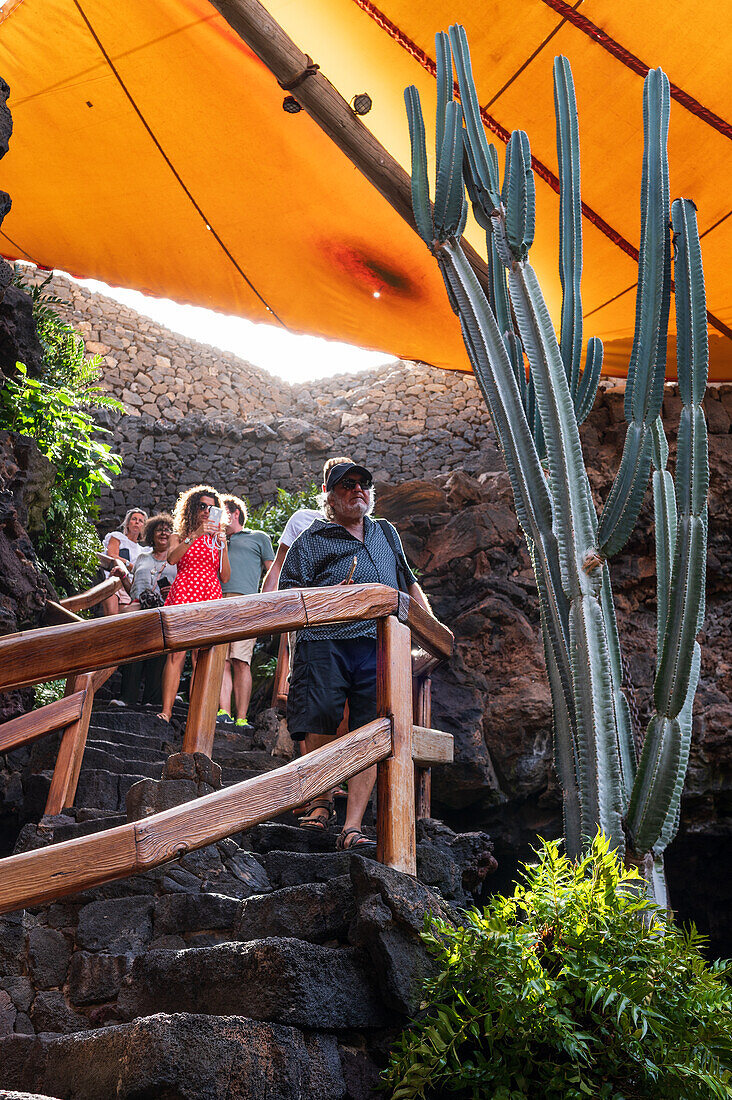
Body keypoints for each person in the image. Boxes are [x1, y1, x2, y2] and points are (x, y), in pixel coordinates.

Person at [278, 461, 431, 850]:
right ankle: (322, 797)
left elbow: (409, 584)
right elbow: (288, 594)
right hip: (326, 640)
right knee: (324, 714)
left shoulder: (385, 532)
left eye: (364, 484)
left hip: (379, 644)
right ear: (329, 495)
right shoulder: (312, 539)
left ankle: (352, 826)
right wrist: (331, 598)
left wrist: (433, 632)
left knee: (370, 728)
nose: (357, 490)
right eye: (347, 485)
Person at [156, 485, 230, 723]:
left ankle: (197, 714)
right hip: (185, 592)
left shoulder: (217, 540)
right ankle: (166, 711)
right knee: (177, 654)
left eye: (212, 507)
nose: (207, 511)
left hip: (210, 594)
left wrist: (223, 544)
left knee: (202, 656)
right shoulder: (181, 535)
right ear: (192, 508)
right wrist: (196, 534)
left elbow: (226, 576)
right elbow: (172, 558)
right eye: (202, 506)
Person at [217, 495, 274, 729]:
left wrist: (266, 605)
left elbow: (273, 572)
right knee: (222, 661)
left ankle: (242, 718)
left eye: (222, 512)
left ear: (235, 513)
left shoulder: (258, 537)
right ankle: (224, 712)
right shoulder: (215, 540)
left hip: (245, 603)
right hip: (216, 601)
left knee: (241, 660)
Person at [261, 456, 353, 595]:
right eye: (336, 483)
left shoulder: (368, 529)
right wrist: (265, 605)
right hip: (310, 606)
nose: (344, 490)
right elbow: (278, 566)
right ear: (325, 489)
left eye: (349, 484)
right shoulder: (302, 521)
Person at [114, 513, 177, 708]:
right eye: (159, 529)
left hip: (163, 610)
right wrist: (123, 578)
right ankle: (127, 698)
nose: (163, 533)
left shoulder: (177, 560)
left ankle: (153, 699)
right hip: (139, 609)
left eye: (167, 530)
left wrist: (172, 590)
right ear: (151, 534)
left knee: (159, 654)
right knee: (133, 652)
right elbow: (134, 587)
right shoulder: (142, 557)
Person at [102, 507, 148, 614]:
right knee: (110, 618)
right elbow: (112, 555)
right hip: (114, 580)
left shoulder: (143, 550)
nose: (137, 522)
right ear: (127, 524)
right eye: (134, 519)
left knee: (122, 623)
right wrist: (130, 565)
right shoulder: (118, 537)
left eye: (140, 521)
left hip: (129, 585)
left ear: (143, 527)